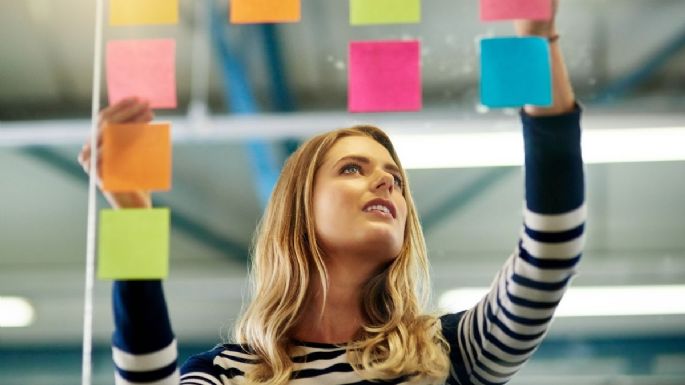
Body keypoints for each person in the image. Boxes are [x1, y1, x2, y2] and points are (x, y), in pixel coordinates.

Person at [78, 2, 585, 384]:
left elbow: (551, 252)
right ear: (300, 207)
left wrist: (535, 41)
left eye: (396, 179)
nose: (387, 181)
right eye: (352, 169)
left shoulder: (450, 351)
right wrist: (131, 214)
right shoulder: (227, 373)